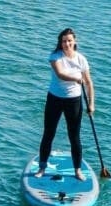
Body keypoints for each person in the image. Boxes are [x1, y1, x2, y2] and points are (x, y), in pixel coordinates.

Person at [36, 27, 94, 181]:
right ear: (60, 43)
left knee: (74, 136)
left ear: (74, 42)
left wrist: (91, 104)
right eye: (63, 41)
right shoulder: (55, 57)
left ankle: (77, 170)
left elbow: (88, 83)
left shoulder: (81, 59)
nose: (66, 44)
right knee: (49, 133)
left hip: (74, 101)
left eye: (69, 41)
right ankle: (42, 167)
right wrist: (75, 79)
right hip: (54, 99)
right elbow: (60, 74)